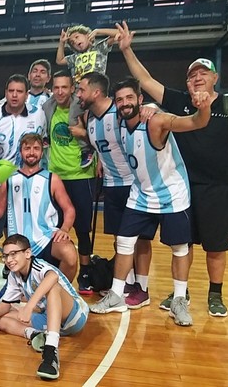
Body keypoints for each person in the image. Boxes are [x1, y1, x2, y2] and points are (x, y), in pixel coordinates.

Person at [117, 21, 228, 317]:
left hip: (217, 187)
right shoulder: (179, 101)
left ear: (215, 78)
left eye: (203, 73)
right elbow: (144, 79)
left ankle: (215, 294)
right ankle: (183, 293)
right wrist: (127, 50)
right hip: (181, 186)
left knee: (216, 246)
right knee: (183, 243)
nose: (197, 77)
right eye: (192, 74)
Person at [90, 77, 212, 327]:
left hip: (172, 195)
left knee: (179, 248)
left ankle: (179, 300)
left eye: (129, 98)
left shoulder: (156, 121)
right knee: (124, 242)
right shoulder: (120, 123)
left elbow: (196, 122)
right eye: (120, 99)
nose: (124, 103)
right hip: (141, 193)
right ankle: (116, 294)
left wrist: (204, 107)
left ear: (140, 99)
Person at [79, 72, 153, 305]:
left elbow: (149, 114)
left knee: (141, 239)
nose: (78, 94)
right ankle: (127, 283)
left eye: (81, 90)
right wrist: (100, 161)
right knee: (120, 239)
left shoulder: (120, 112)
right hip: (111, 185)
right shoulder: (89, 117)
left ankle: (142, 287)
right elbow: (103, 147)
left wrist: (153, 109)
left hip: (134, 184)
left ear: (96, 92)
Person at [0, 234, 88, 380]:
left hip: (74, 316)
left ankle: (50, 353)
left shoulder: (38, 266)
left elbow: (53, 277)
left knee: (53, 287)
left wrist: (29, 307)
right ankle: (35, 335)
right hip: (50, 320)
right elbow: (5, 306)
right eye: (5, 256)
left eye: (13, 254)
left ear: (27, 253)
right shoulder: (14, 275)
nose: (9, 260)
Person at [0, 134, 78, 281]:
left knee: (69, 254)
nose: (31, 152)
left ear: (42, 152)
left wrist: (64, 229)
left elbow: (69, 209)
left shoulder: (52, 179)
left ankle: (59, 289)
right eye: (27, 148)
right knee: (25, 291)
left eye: (36, 148)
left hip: (46, 238)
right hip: (18, 244)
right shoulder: (10, 179)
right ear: (20, 152)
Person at [0, 74, 47, 279]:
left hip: (26, 180)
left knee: (18, 225)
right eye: (11, 91)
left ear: (27, 94)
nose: (14, 95)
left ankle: (14, 265)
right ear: (5, 93)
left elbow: (40, 143)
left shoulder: (38, 114)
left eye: (19, 91)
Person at [42, 70, 97, 293]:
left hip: (80, 175)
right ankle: (53, 270)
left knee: (82, 229)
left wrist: (83, 134)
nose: (60, 92)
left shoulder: (83, 109)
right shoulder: (48, 108)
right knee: (54, 228)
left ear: (72, 88)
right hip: (56, 176)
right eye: (56, 87)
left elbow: (98, 137)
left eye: (64, 87)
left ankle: (85, 273)